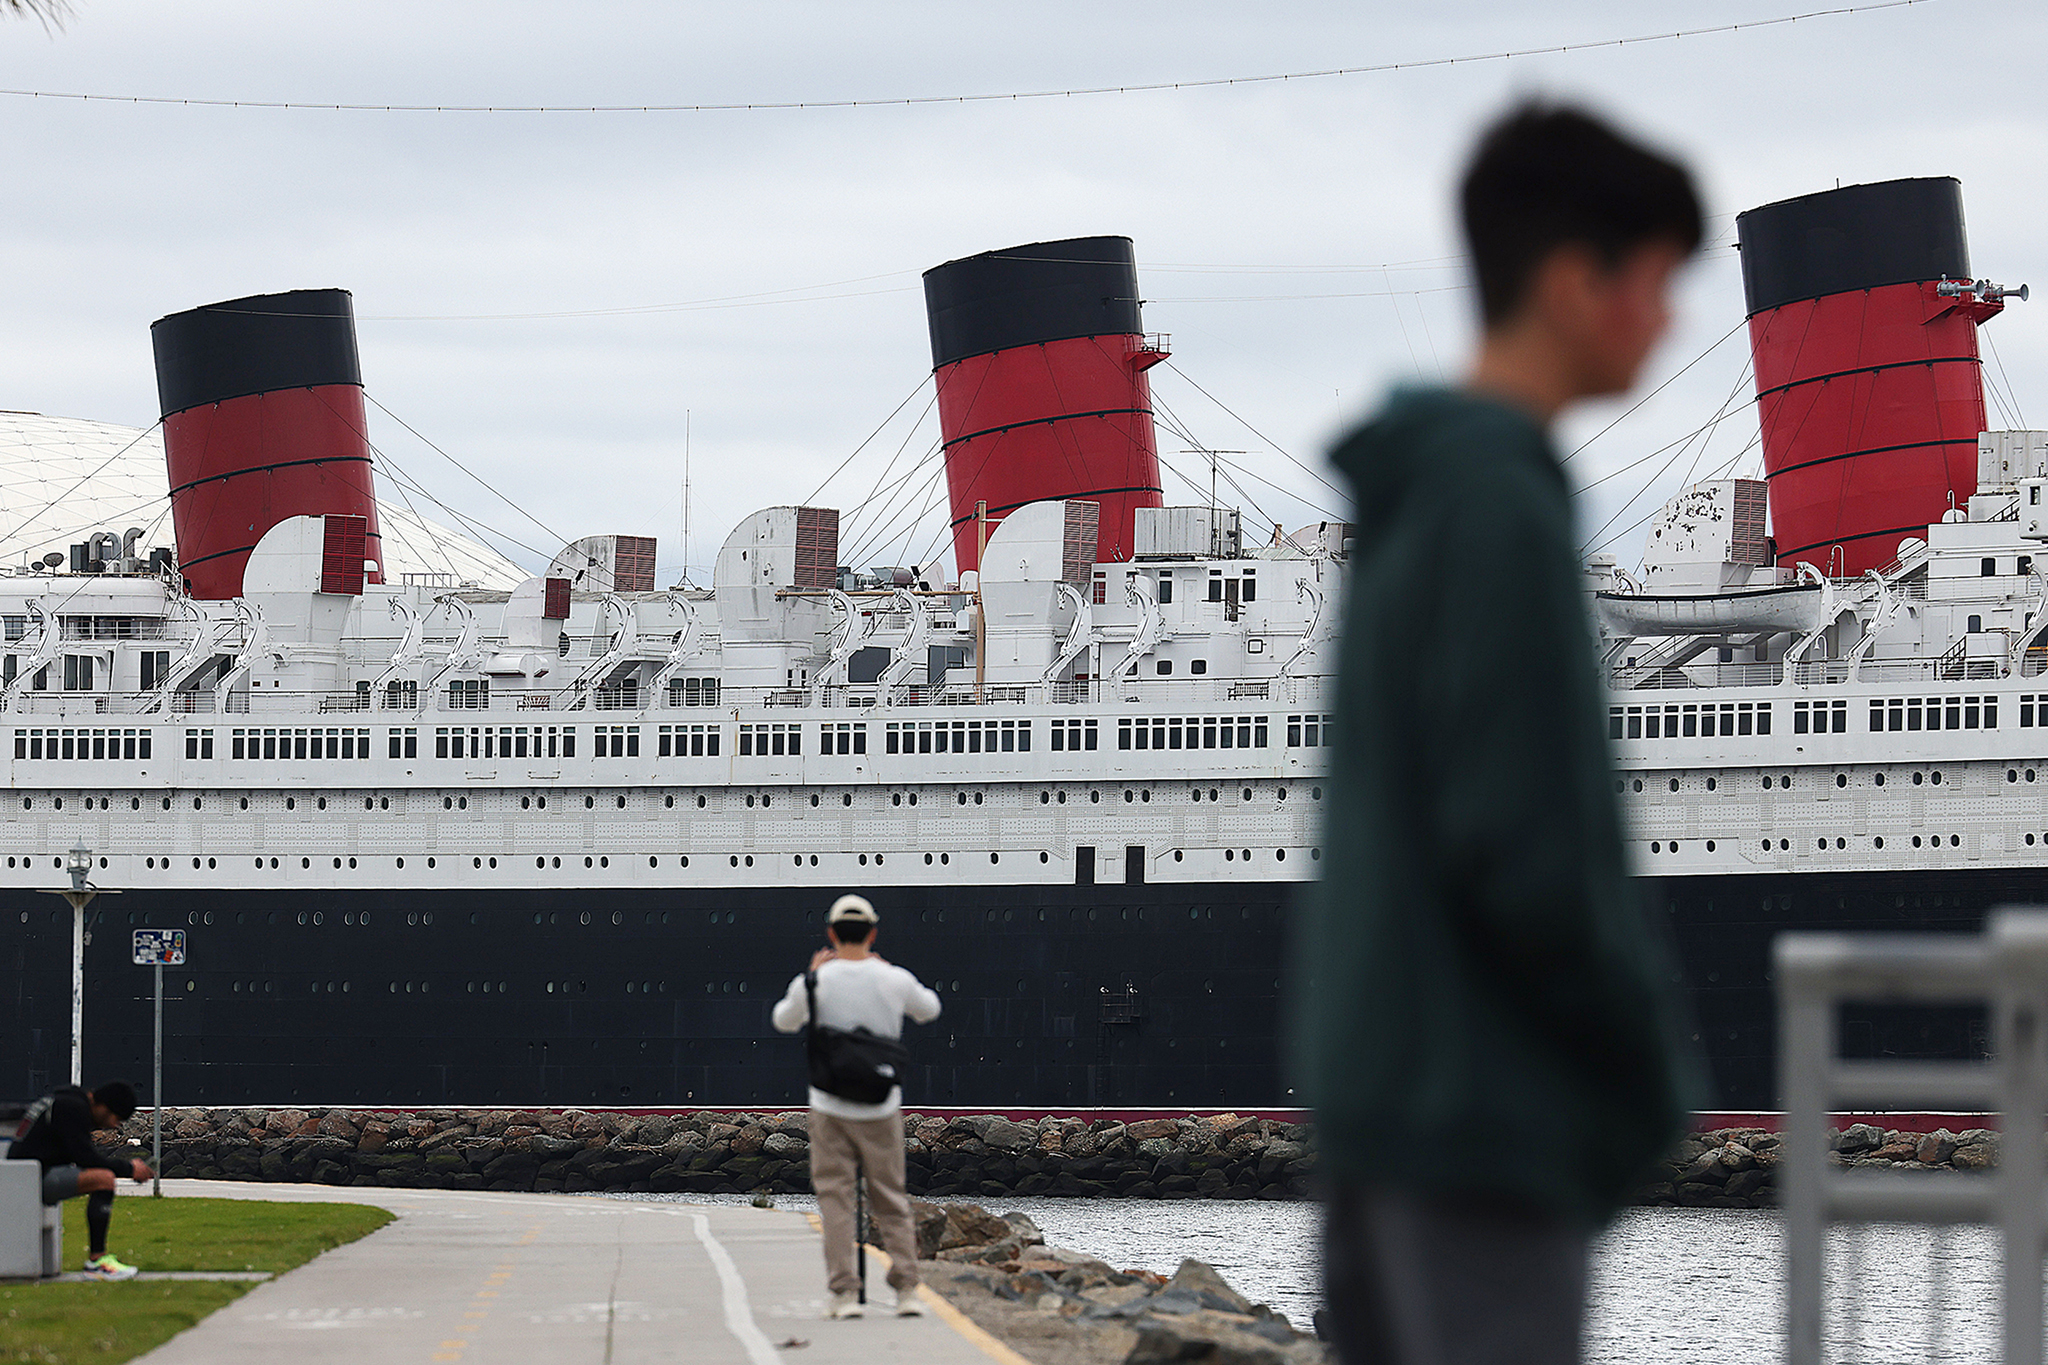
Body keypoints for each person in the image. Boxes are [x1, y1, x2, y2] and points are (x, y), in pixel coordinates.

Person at [1293, 102, 1707, 1365]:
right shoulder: (1498, 505)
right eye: (1656, 281)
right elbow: (1529, 840)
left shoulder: (1413, 490)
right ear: (1575, 283)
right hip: (1481, 1118)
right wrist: (1647, 1089)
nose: (1669, 320)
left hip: (1385, 1110)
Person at [771, 893, 941, 1320]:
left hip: (830, 1106)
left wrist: (811, 978)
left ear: (831, 933)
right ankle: (907, 1290)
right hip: (881, 1107)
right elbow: (929, 1010)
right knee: (891, 1198)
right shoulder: (893, 978)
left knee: (836, 1200)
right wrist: (888, 975)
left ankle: (845, 1294)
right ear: (873, 933)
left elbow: (783, 1021)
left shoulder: (815, 982)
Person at [6, 1079, 153, 1280]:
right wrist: (129, 1168)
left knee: (101, 1175)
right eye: (116, 1118)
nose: (113, 1126)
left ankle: (98, 1261)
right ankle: (97, 1261)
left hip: (24, 1175)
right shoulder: (73, 1107)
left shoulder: (65, 1101)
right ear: (105, 1106)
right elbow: (85, 1157)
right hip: (28, 1180)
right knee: (103, 1179)